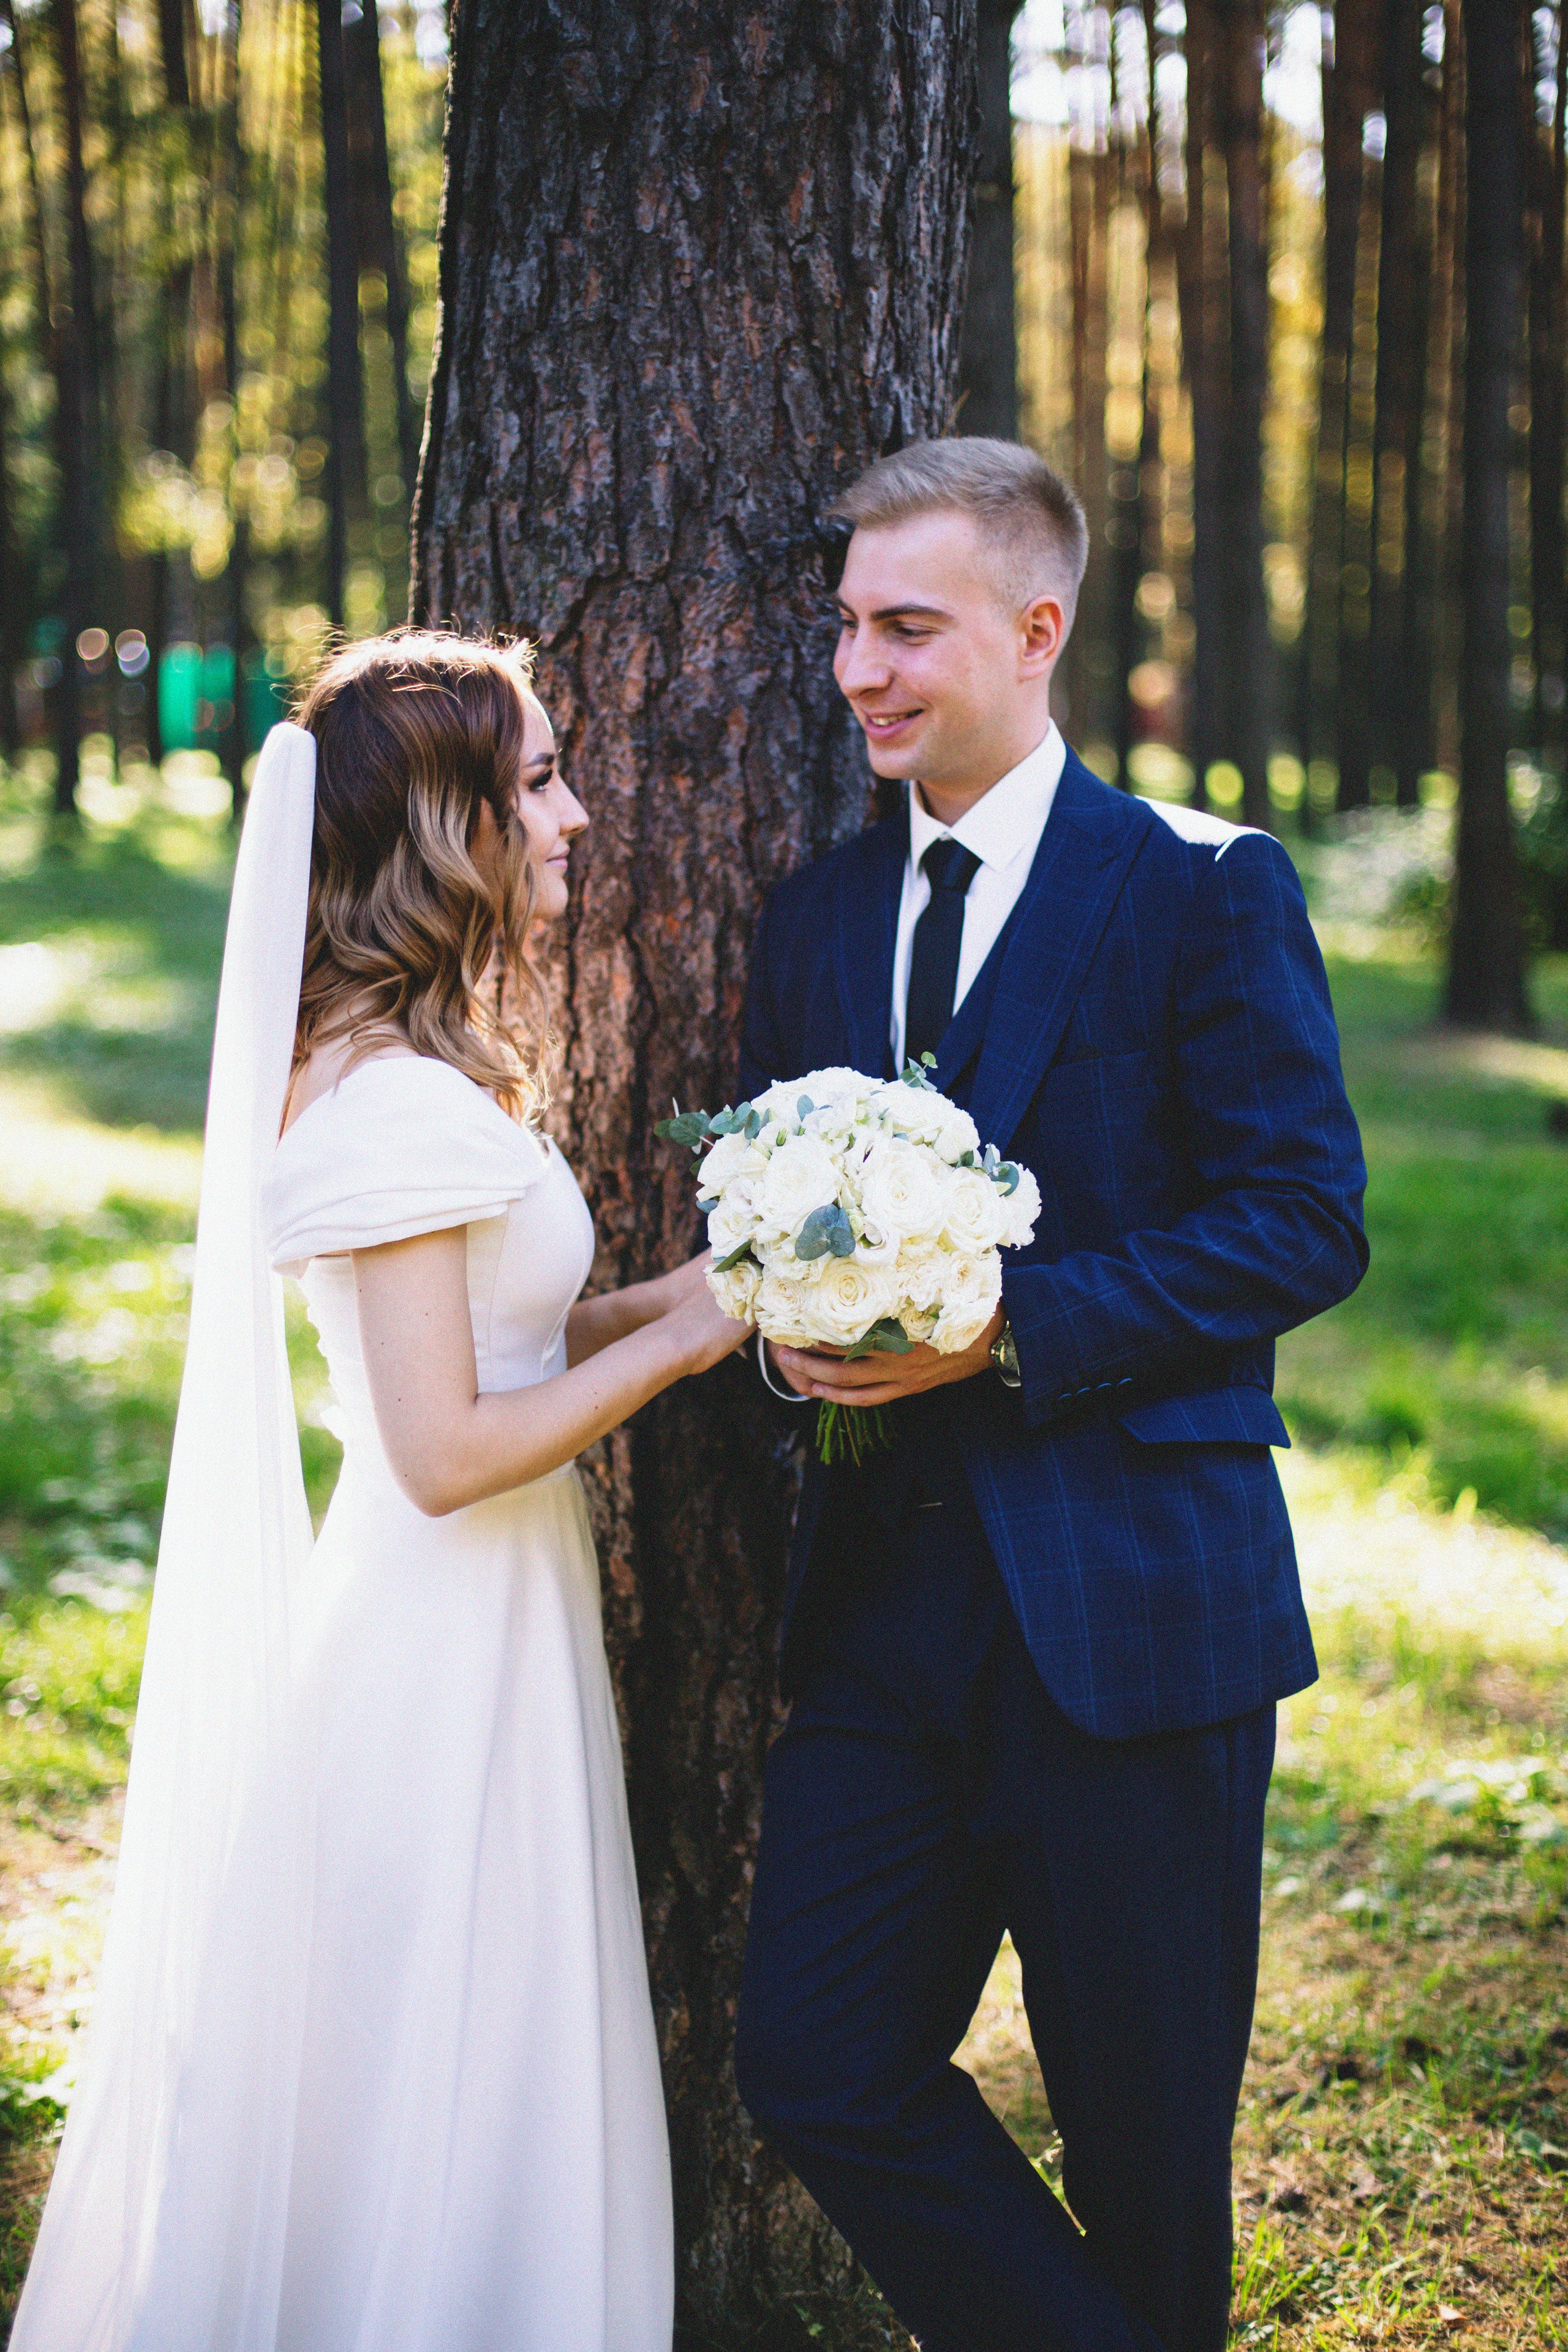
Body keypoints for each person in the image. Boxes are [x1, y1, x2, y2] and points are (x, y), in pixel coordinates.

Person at [11, 633, 747, 2352]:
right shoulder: (389, 1103)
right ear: (447, 828)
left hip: (487, 1619)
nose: (575, 815)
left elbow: (506, 1338)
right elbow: (442, 1454)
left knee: (454, 2054)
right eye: (540, 782)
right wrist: (686, 1343)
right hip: (439, 1648)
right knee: (441, 2063)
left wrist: (717, 1283)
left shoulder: (398, 1071)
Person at [731, 437, 1368, 2352]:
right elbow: (770, 1222)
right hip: (883, 1625)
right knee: (816, 2061)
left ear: (1036, 630)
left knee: (1148, 2157)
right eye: (849, 625)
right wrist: (787, 1328)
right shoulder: (813, 919)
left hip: (1140, 1620)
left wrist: (1005, 1328)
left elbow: (1301, 1221)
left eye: (906, 627)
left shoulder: (1201, 887)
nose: (858, 669)